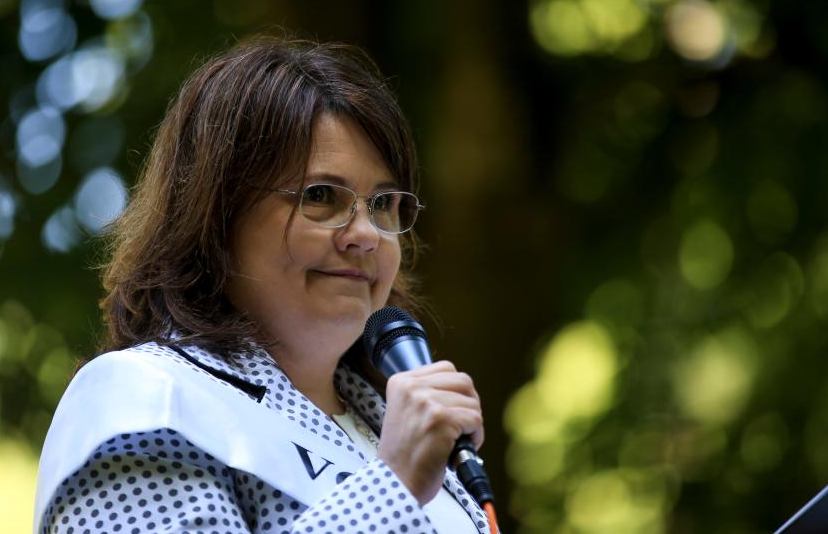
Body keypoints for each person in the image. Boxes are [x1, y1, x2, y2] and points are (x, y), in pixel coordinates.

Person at [33, 36, 490, 534]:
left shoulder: (395, 426)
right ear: (216, 217)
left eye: (383, 204)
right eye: (321, 196)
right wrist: (393, 487)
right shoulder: (147, 397)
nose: (364, 234)